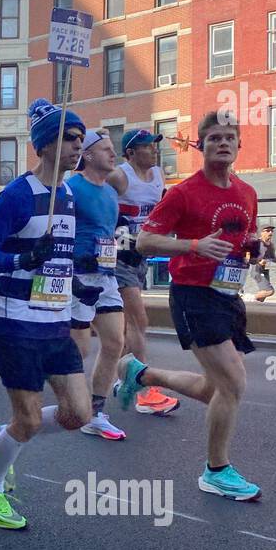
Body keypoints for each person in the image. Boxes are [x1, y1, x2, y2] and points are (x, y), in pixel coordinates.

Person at [114, 110, 261, 501]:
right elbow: (145, 241)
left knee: (216, 386)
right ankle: (216, 469)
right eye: (214, 138)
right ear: (202, 145)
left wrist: (256, 247)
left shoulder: (246, 192)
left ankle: (143, 374)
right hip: (193, 294)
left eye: (230, 136)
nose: (223, 143)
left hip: (229, 294)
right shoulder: (183, 193)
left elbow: (243, 237)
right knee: (233, 383)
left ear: (239, 144)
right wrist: (193, 245)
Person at [0, 100, 92, 530]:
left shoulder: (71, 194)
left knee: (79, 414)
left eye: (80, 139)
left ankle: (0, 435)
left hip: (54, 321)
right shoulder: (19, 195)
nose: (78, 145)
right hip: (13, 321)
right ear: (43, 146)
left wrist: (78, 277)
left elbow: (56, 257)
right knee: (26, 419)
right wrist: (22, 261)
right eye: (68, 138)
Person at [109, 130, 179, 415]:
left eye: (154, 146)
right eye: (146, 147)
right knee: (139, 320)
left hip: (140, 257)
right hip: (117, 258)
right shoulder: (120, 176)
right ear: (130, 153)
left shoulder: (158, 175)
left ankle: (124, 379)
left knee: (126, 327)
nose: (153, 151)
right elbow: (85, 188)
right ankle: (144, 392)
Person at [67, 131, 126, 439]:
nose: (112, 154)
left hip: (106, 275)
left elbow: (107, 232)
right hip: (76, 275)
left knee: (115, 342)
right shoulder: (71, 188)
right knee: (80, 347)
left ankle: (95, 412)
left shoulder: (110, 194)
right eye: (105, 150)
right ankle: (70, 400)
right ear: (87, 155)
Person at [251, 225, 276, 302]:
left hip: (264, 271)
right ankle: (247, 298)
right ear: (261, 233)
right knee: (269, 291)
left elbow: (273, 258)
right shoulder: (257, 243)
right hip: (256, 271)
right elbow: (248, 256)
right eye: (267, 231)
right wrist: (258, 261)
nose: (270, 233)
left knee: (262, 297)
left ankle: (255, 310)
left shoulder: (271, 245)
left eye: (271, 231)